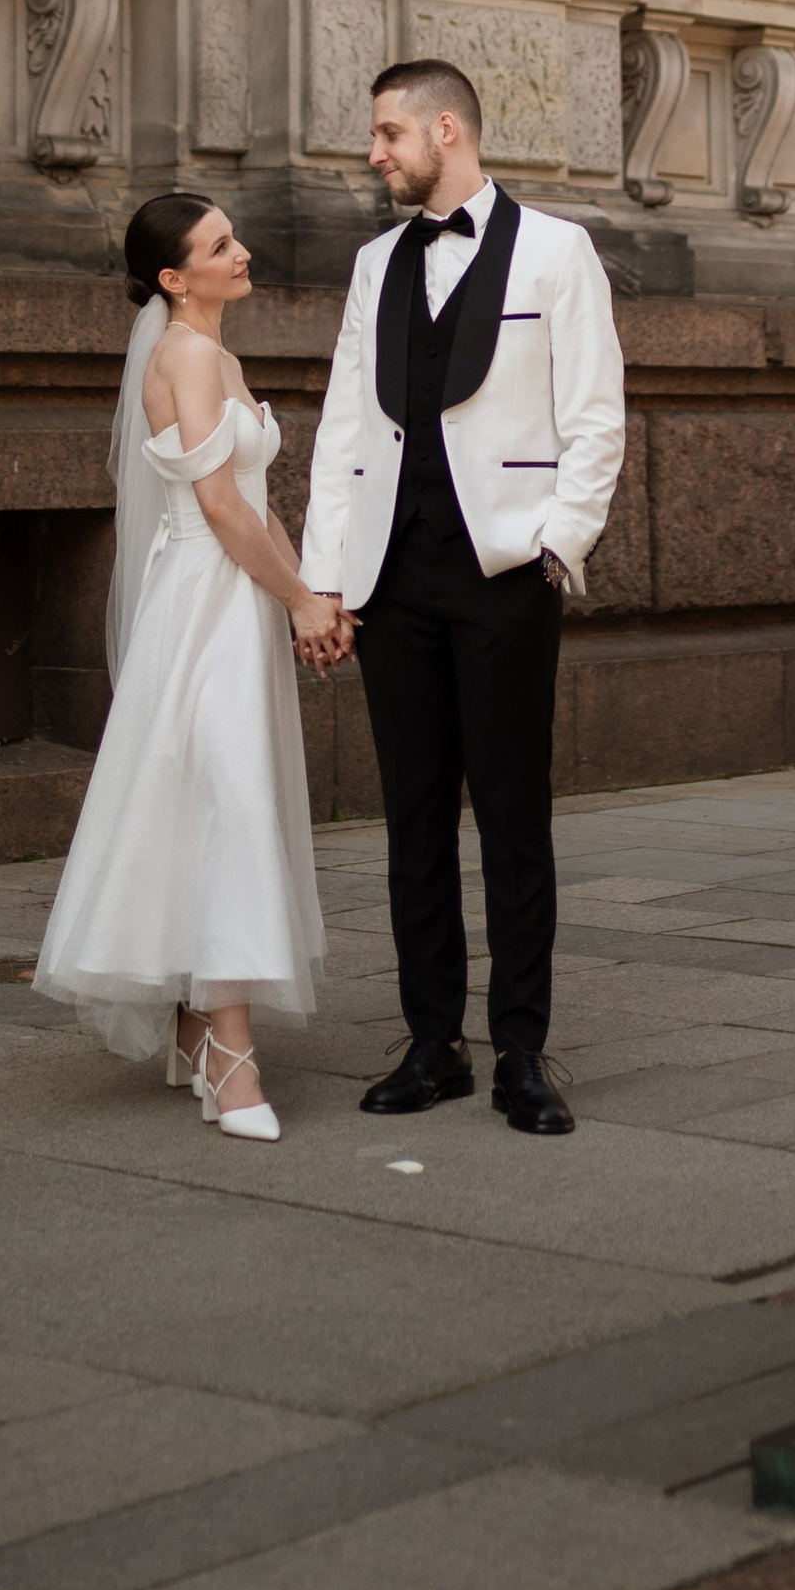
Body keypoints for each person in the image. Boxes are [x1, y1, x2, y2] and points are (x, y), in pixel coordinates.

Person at [300, 62, 626, 1137]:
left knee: (513, 818)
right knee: (412, 821)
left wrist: (555, 544)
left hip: (503, 575)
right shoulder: (374, 262)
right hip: (394, 579)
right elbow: (345, 426)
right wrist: (327, 577)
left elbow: (594, 415)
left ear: (448, 129)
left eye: (389, 133)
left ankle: (522, 1051)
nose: (375, 153)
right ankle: (431, 1041)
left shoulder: (555, 249)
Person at [33, 195, 352, 1138]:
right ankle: (229, 1049)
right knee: (229, 806)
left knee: (212, 798)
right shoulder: (184, 353)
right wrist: (296, 599)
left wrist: (312, 591)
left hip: (237, 595)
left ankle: (192, 1022)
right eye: (220, 246)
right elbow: (217, 507)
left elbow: (254, 498)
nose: (242, 250)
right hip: (206, 605)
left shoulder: (215, 353)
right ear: (174, 278)